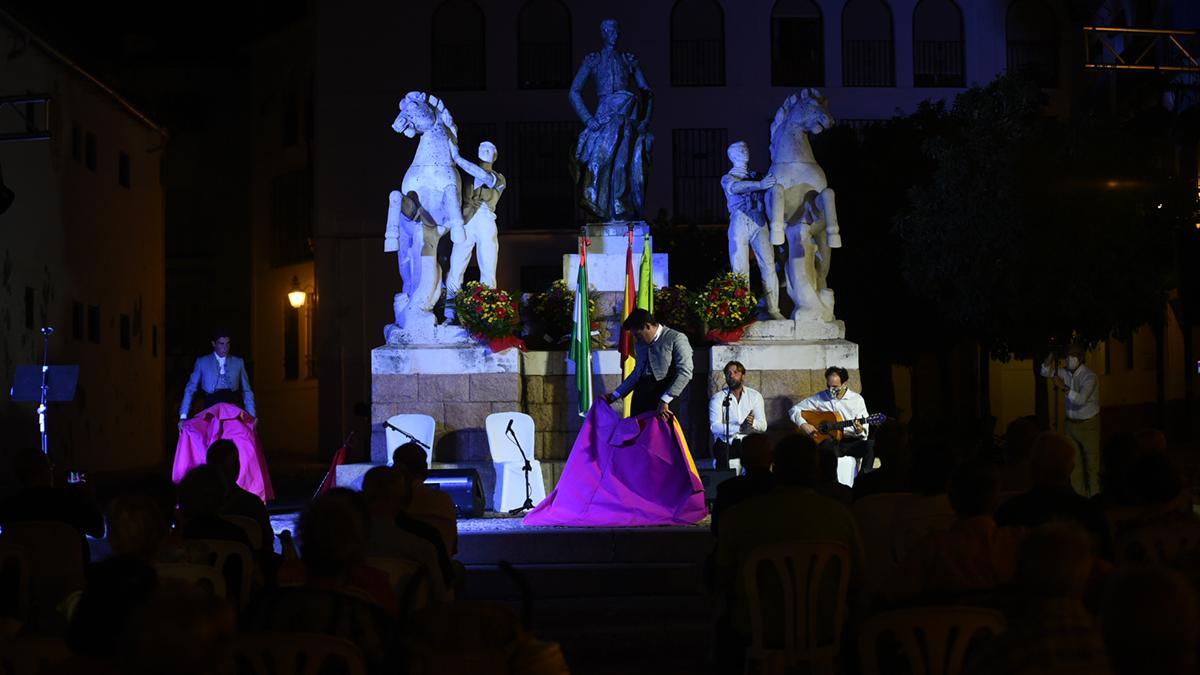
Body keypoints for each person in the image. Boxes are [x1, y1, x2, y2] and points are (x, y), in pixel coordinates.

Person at [568, 18, 653, 222]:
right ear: (602, 33)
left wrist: (637, 68)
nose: (613, 35)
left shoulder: (627, 60)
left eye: (615, 31)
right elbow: (573, 92)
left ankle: (620, 205)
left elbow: (646, 91)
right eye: (608, 31)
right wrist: (588, 119)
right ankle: (597, 205)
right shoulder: (593, 60)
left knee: (623, 163)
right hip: (604, 115)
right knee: (599, 161)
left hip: (627, 115)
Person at [721, 141, 785, 319]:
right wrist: (760, 185)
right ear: (732, 156)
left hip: (759, 220)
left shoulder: (757, 176)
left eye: (746, 149)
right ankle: (743, 311)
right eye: (741, 150)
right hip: (740, 219)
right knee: (740, 267)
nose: (745, 152)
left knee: (769, 265)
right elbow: (735, 188)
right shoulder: (728, 177)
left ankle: (773, 309)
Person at [445, 140, 505, 322]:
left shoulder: (499, 178)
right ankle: (450, 313)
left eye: (488, 149)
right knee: (456, 266)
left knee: (488, 267)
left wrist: (457, 157)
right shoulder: (465, 177)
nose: (484, 150)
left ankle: (487, 312)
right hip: (466, 222)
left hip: (486, 221)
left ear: (494, 155)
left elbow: (484, 176)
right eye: (481, 148)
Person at [603, 308, 693, 419]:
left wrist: (665, 399)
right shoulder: (640, 343)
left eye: (638, 335)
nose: (637, 339)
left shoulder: (676, 338)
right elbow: (637, 373)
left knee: (662, 434)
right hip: (641, 395)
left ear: (648, 326)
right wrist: (615, 395)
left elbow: (685, 371)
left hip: (665, 394)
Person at [788, 366, 875, 477]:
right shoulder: (821, 397)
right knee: (824, 449)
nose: (830, 390)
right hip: (829, 443)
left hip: (849, 442)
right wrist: (803, 424)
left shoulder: (857, 400)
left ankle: (864, 480)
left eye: (835, 387)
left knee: (871, 446)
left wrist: (859, 430)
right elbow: (794, 410)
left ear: (844, 384)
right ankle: (829, 483)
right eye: (828, 386)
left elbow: (864, 431)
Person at [1039, 345, 1100, 496]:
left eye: (1072, 356)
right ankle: (1079, 499)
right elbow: (1045, 371)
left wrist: (1063, 387)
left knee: (1092, 466)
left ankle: (1094, 499)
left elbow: (1081, 399)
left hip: (1088, 425)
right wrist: (1051, 355)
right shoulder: (1066, 373)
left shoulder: (1089, 376)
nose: (1069, 359)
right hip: (1070, 425)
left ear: (1080, 358)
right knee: (1075, 466)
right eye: (1067, 356)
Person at [179, 328, 255, 427]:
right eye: (221, 344)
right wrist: (183, 416)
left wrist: (252, 416)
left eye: (228, 343)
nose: (225, 347)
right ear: (214, 344)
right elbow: (190, 389)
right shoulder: (202, 362)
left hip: (233, 409)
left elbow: (247, 391)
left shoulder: (238, 362)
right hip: (211, 408)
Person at [708, 360, 766, 470]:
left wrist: (751, 422)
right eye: (728, 373)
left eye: (735, 372)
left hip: (748, 445)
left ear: (743, 375)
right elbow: (714, 427)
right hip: (727, 445)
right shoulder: (718, 398)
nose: (731, 376)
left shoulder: (755, 396)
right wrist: (739, 428)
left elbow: (763, 426)